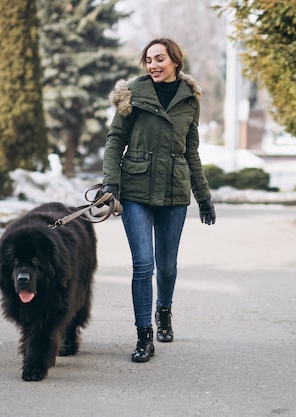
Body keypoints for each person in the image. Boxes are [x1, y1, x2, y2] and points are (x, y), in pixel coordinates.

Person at [101, 38, 216, 362]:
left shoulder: (190, 99)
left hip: (174, 192)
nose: (153, 65)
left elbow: (190, 149)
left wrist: (203, 196)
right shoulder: (132, 95)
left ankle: (163, 310)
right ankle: (144, 336)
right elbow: (115, 141)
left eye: (159, 59)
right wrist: (111, 182)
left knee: (167, 265)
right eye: (149, 59)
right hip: (135, 190)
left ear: (175, 62)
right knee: (143, 265)